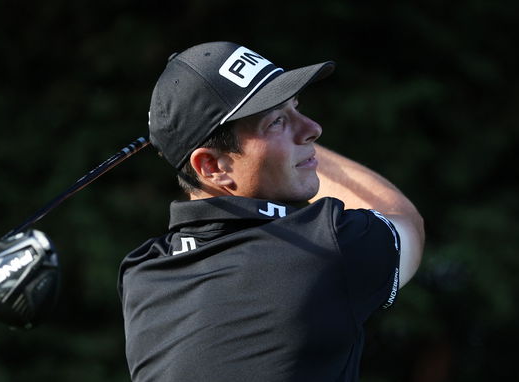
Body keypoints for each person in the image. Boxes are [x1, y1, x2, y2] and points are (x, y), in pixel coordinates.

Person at [118, 41, 425, 382]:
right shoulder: (323, 249)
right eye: (277, 121)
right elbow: (403, 223)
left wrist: (288, 146)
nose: (313, 129)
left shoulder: (142, 274)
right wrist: (305, 156)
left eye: (296, 107)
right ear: (212, 166)